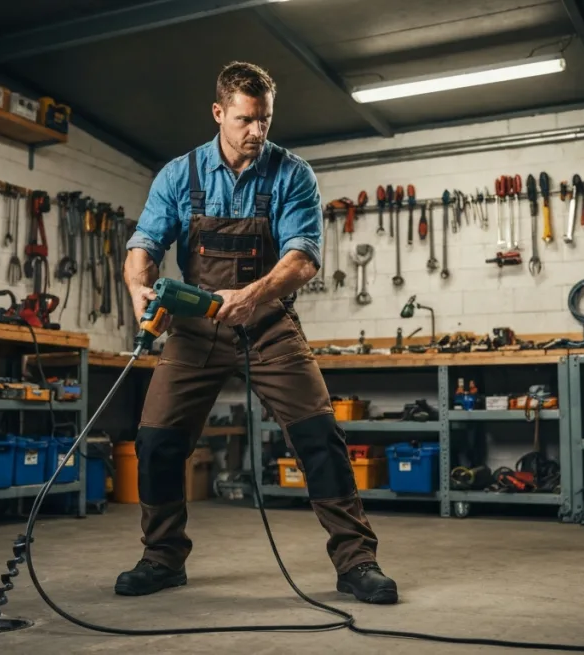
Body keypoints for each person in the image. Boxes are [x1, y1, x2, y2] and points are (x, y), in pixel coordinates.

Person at [119, 61, 397, 604]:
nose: (257, 132)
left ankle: (356, 561)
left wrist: (252, 296)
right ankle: (162, 558)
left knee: (320, 435)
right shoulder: (180, 175)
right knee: (155, 440)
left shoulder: (292, 174)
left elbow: (303, 259)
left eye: (265, 120)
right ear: (219, 113)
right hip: (195, 329)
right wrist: (139, 290)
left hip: (268, 323)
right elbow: (143, 247)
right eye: (246, 120)